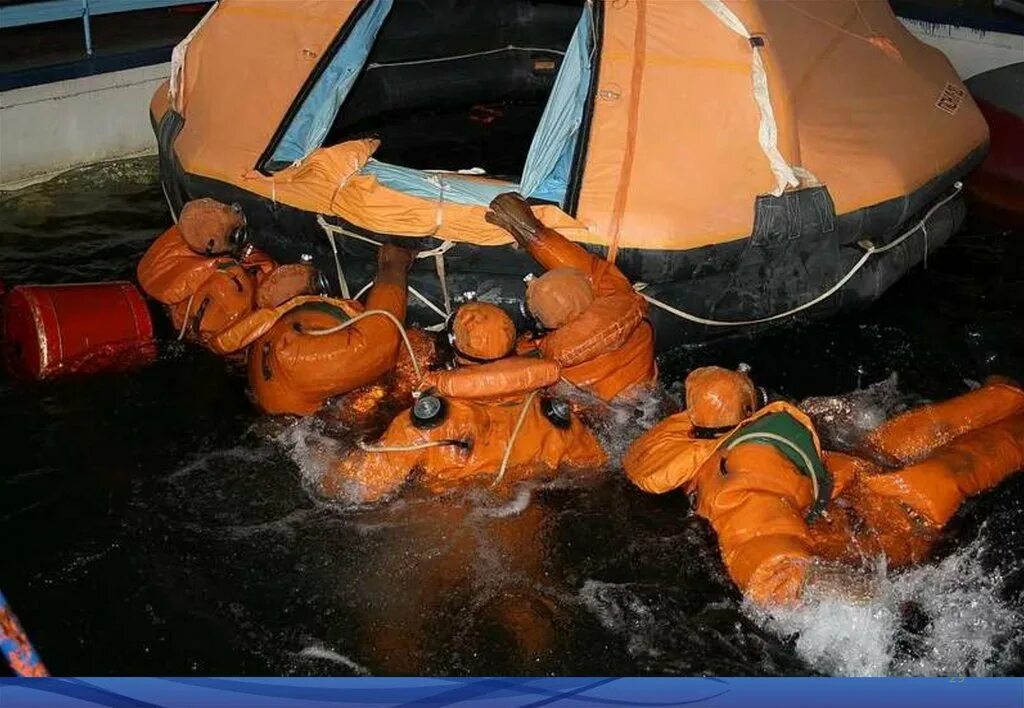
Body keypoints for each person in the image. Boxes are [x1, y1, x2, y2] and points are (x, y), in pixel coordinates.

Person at [623, 367, 1024, 605]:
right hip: (866, 527)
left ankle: (1005, 396)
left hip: (843, 484)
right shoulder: (743, 471)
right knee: (940, 479)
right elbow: (763, 545)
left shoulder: (693, 442)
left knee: (895, 438)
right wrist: (856, 591)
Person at [321, 301, 606, 502]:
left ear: (454, 346)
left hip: (441, 532)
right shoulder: (555, 420)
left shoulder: (428, 427)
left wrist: (316, 453)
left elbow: (355, 489)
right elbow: (594, 469)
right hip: (521, 530)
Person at [484, 192, 656, 403]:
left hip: (610, 416)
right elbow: (592, 270)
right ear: (588, 288)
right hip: (644, 399)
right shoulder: (625, 302)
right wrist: (535, 233)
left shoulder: (549, 364)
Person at [215, 243, 417, 416]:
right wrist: (393, 266)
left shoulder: (267, 329)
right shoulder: (298, 358)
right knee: (414, 351)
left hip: (285, 392)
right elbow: (381, 340)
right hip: (310, 402)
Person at [137, 198, 323, 348]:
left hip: (188, 310)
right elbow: (229, 339)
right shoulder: (225, 292)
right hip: (230, 314)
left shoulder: (177, 253)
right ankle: (310, 282)